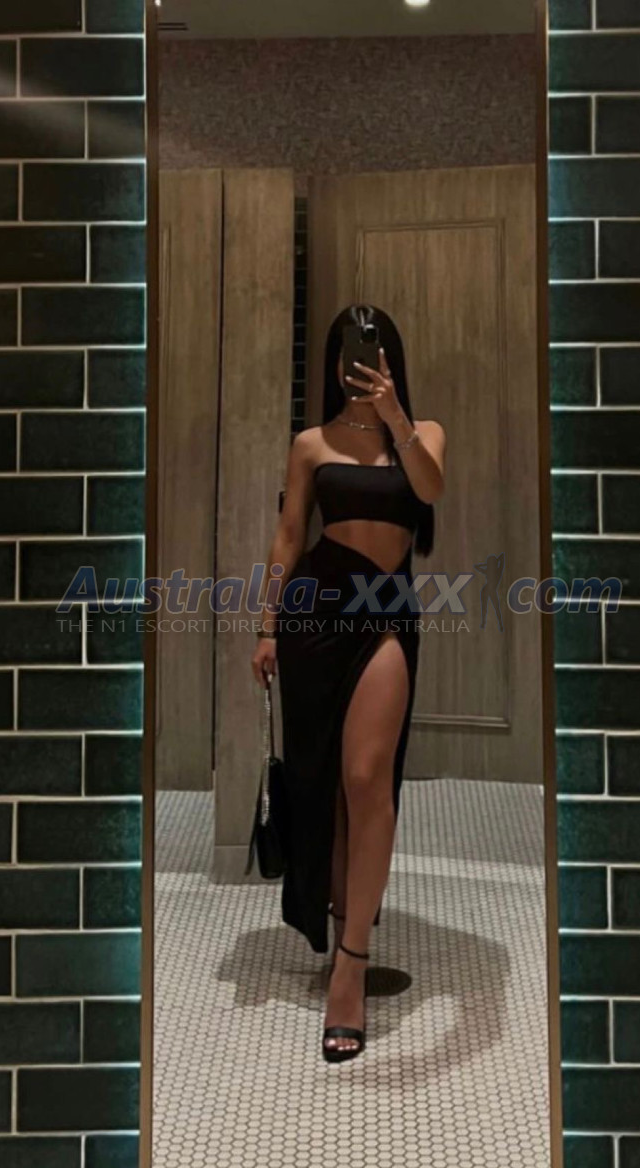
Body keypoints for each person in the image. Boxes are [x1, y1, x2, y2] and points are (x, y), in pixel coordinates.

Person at [251, 303, 446, 1062]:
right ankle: (340, 924)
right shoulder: (310, 444)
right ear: (333, 365)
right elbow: (289, 535)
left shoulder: (422, 434)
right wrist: (267, 625)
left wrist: (395, 416)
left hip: (386, 611)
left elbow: (429, 490)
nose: (358, 365)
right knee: (322, 783)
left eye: (372, 352)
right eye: (347, 354)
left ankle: (352, 967)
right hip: (314, 610)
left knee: (367, 778)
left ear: (391, 361)